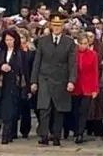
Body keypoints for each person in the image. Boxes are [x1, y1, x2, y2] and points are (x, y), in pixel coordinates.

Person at [31, 14, 77, 146]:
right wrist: (34, 81)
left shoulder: (69, 42)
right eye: (54, 25)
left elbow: (72, 64)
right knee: (44, 108)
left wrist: (71, 81)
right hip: (44, 78)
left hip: (61, 79)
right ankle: (44, 135)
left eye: (59, 25)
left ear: (63, 26)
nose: (56, 28)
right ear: (50, 25)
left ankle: (56, 136)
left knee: (59, 109)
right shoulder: (43, 41)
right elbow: (37, 62)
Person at [0, 29, 26, 144]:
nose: (8, 42)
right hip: (1, 83)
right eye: (6, 40)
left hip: (14, 84)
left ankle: (7, 134)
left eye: (11, 40)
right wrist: (1, 66)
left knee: (10, 108)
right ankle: (8, 132)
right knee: (3, 108)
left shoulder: (21, 53)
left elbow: (24, 70)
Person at [72, 33, 100, 144]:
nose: (83, 46)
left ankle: (80, 133)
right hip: (76, 86)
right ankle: (75, 130)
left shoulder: (93, 54)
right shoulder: (73, 54)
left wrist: (95, 88)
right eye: (81, 44)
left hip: (88, 86)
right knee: (75, 111)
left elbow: (95, 71)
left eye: (85, 44)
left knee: (83, 111)